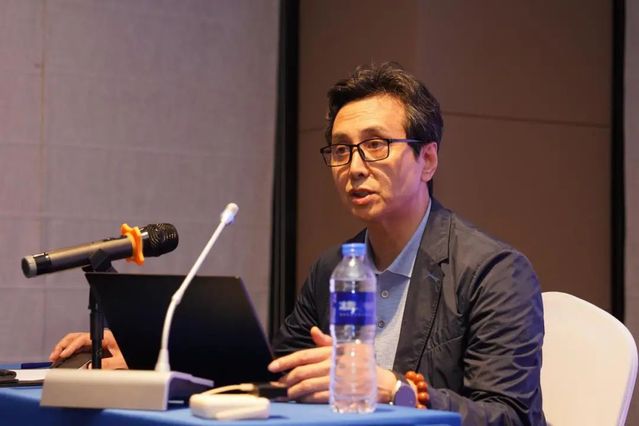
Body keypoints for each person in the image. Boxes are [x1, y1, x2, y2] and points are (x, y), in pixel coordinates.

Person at [50, 62, 545, 425]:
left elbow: (510, 416)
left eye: (375, 145)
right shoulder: (334, 267)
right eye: (341, 150)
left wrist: (393, 389)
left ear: (428, 160)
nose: (354, 167)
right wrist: (151, 347)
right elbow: (275, 369)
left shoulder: (493, 272)